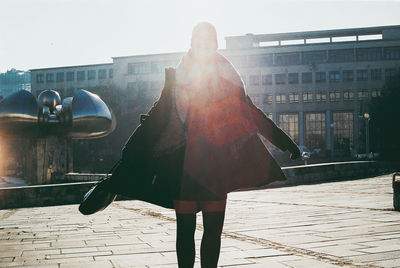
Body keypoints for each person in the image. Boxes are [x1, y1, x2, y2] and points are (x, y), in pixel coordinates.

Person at [172, 22, 301, 268]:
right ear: (191, 44)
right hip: (185, 163)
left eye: (208, 42)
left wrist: (285, 143)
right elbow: (163, 117)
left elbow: (250, 113)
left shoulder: (224, 75)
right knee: (186, 229)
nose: (204, 47)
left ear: (216, 44)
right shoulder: (180, 75)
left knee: (211, 229)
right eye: (200, 42)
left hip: (214, 164)